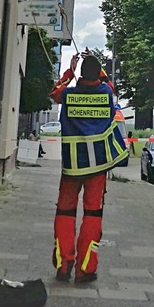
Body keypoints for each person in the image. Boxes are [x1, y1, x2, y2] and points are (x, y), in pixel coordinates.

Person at [50, 50, 128, 284]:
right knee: (93, 215)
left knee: (65, 213)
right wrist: (98, 64)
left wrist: (70, 71)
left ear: (80, 74)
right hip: (97, 167)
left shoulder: (69, 94)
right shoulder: (106, 94)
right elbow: (108, 83)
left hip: (72, 166)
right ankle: (85, 268)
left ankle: (64, 265)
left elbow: (55, 92)